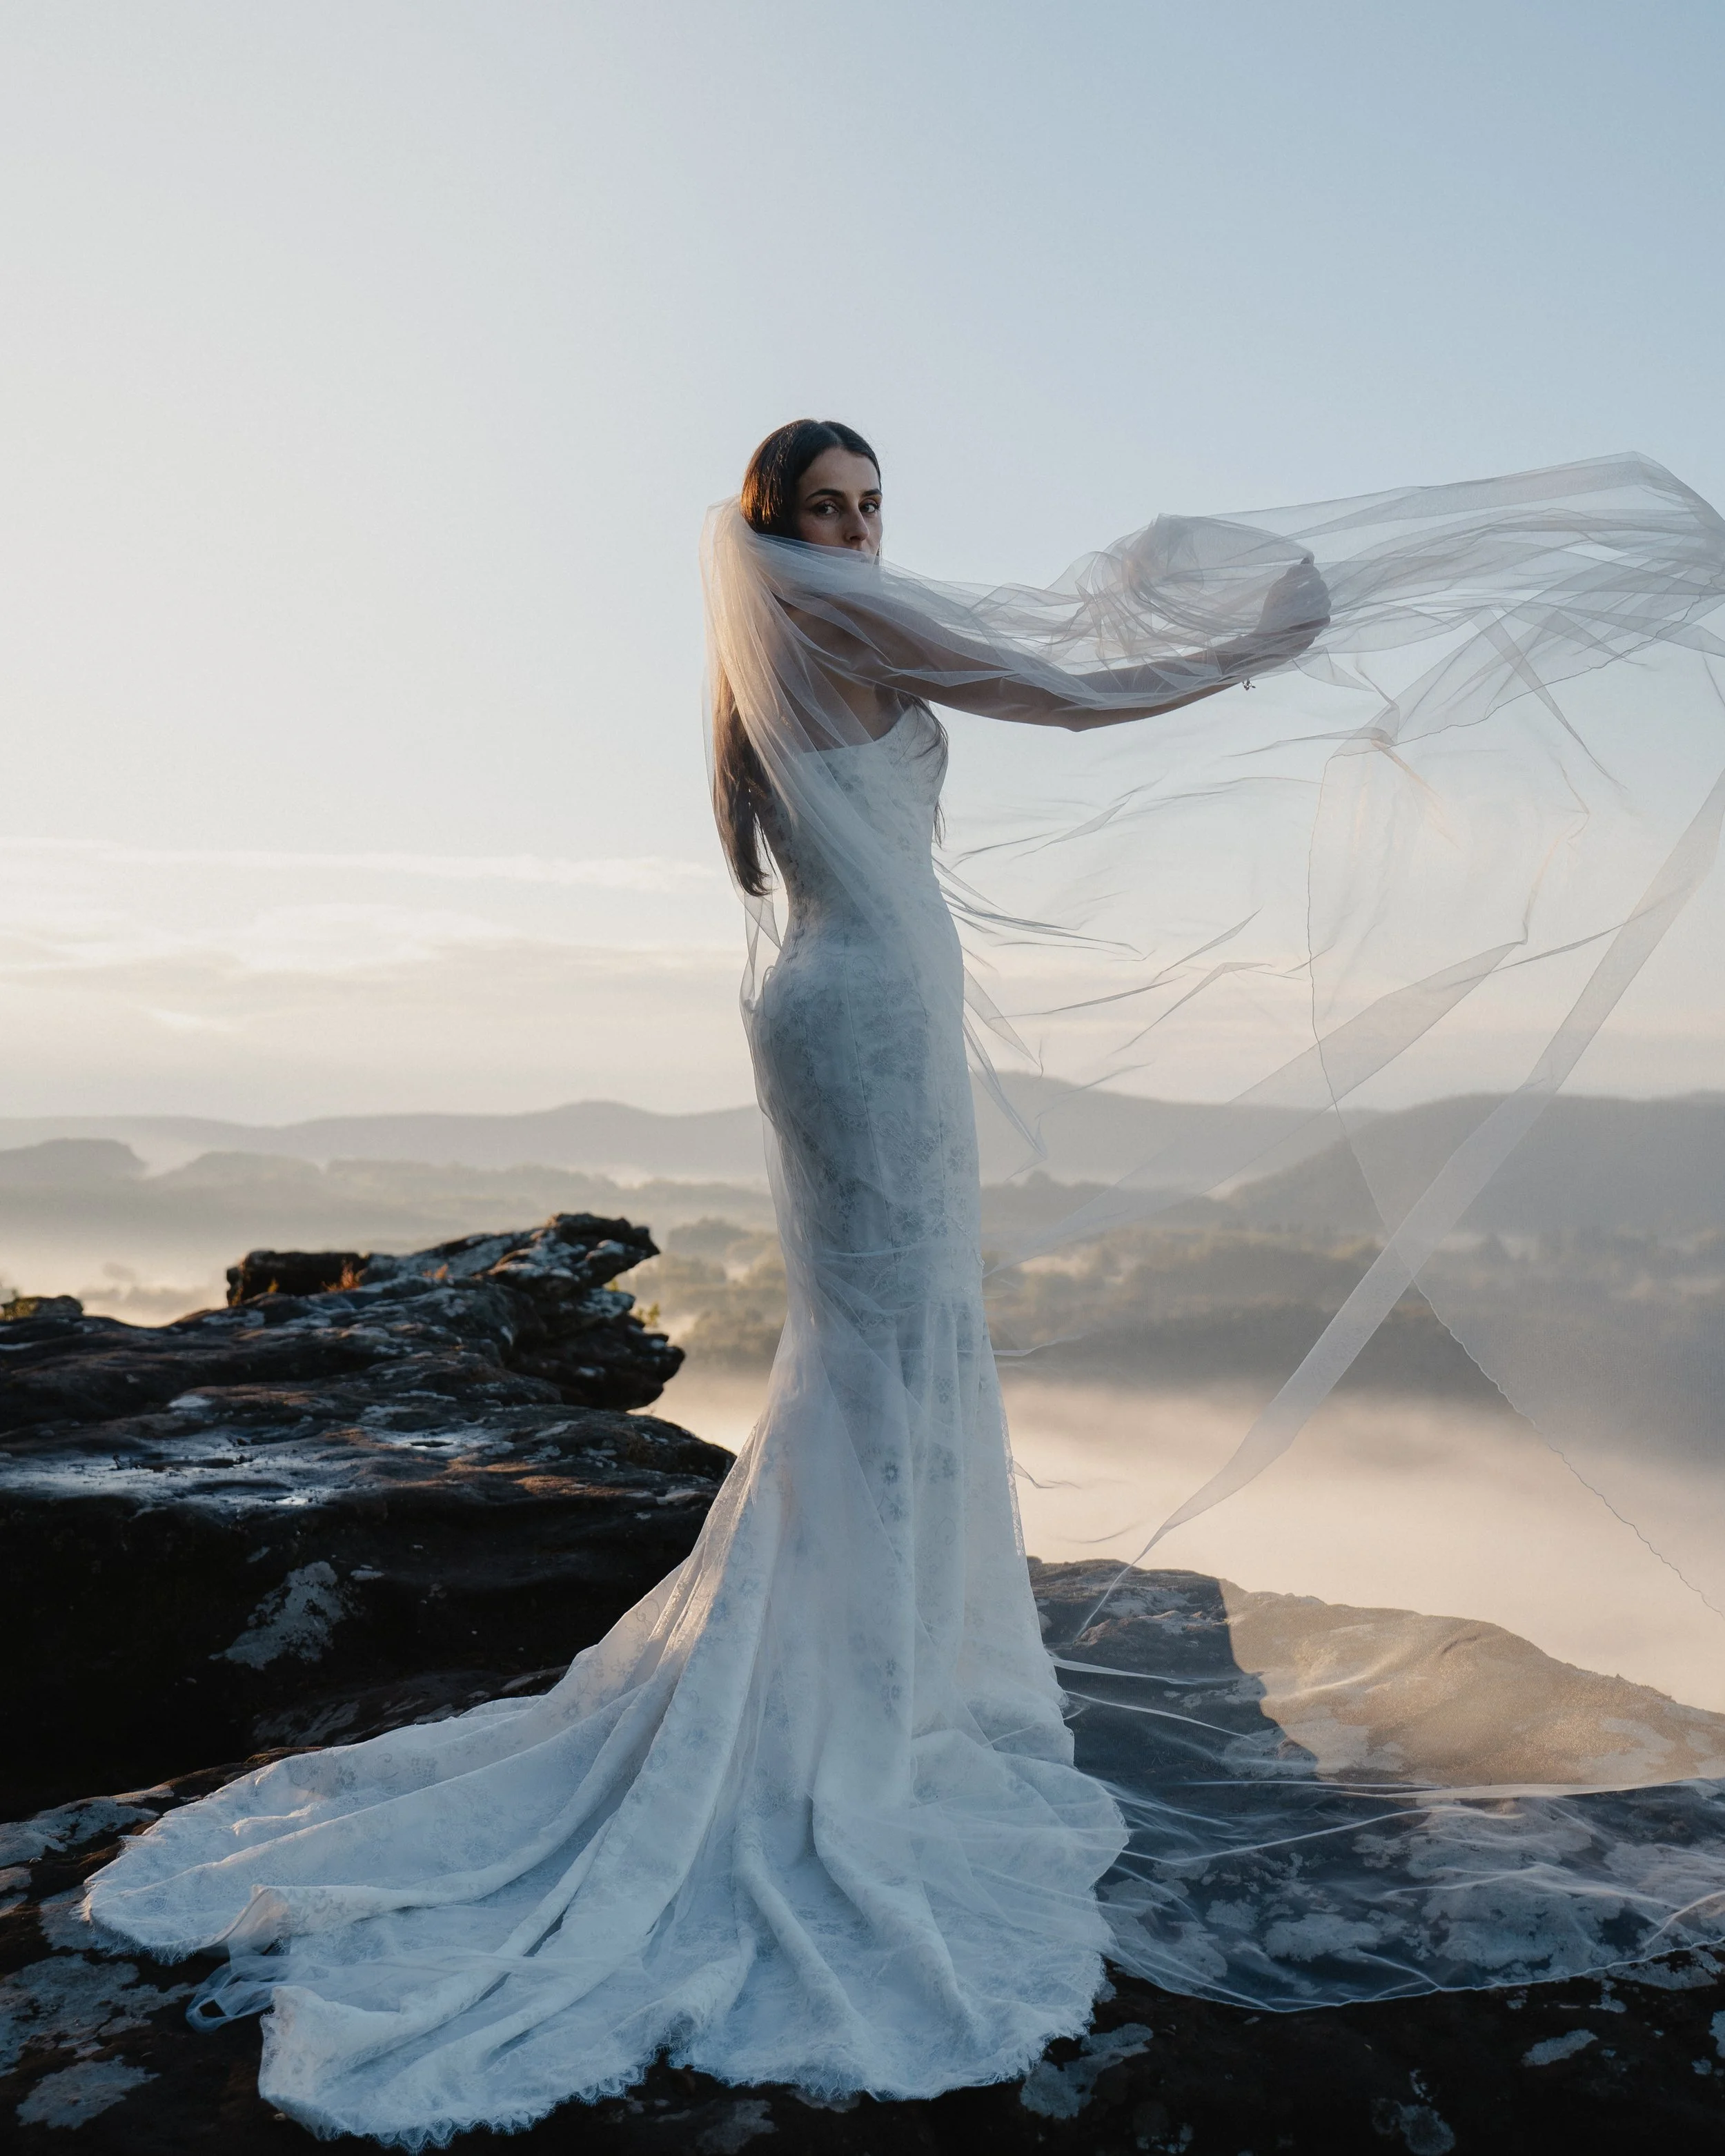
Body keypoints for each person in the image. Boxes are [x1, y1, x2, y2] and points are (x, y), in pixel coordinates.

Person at [86, 421, 1725, 2144]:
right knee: (887, 1343)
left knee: (877, 1344)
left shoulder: (783, 642)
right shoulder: (839, 624)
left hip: (852, 995)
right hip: (867, 1015)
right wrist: (1246, 647)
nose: (856, 534)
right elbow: (1062, 695)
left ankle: (878, 1665)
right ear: (770, 527)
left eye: (872, 507)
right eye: (825, 509)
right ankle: (863, 1704)